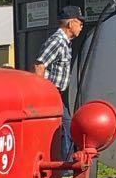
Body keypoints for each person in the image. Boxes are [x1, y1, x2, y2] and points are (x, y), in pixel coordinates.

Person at [35, 15, 84, 159]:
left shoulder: (66, 43)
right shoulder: (57, 41)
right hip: (50, 93)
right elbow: (39, 65)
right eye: (80, 23)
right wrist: (40, 95)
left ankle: (65, 165)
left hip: (58, 93)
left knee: (66, 126)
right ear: (71, 23)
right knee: (66, 127)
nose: (81, 27)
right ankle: (65, 167)